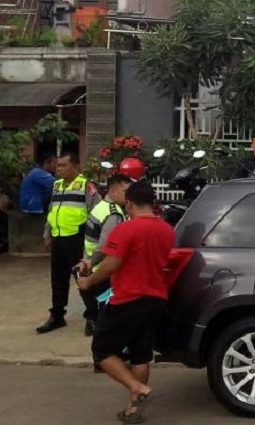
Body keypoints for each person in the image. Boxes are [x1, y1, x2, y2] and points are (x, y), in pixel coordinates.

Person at [76, 181, 175, 423]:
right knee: (141, 354)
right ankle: (133, 408)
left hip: (128, 298)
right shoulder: (167, 230)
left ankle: (137, 388)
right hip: (156, 298)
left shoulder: (126, 229)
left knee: (102, 350)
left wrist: (89, 281)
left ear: (129, 203)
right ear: (152, 202)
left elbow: (111, 264)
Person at [37, 151, 95, 335]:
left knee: (82, 277)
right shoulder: (57, 185)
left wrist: (91, 244)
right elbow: (52, 210)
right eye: (58, 165)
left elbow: (96, 215)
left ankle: (92, 317)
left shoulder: (86, 186)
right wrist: (47, 233)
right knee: (58, 279)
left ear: (76, 167)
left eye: (63, 165)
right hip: (58, 237)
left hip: (77, 239)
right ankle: (57, 316)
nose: (59, 169)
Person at [79, 173, 132, 331]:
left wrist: (87, 259)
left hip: (92, 262)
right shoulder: (114, 213)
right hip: (103, 267)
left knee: (97, 301)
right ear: (113, 191)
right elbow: (105, 246)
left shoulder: (101, 206)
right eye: (125, 191)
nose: (129, 196)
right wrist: (91, 262)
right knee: (106, 306)